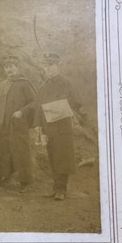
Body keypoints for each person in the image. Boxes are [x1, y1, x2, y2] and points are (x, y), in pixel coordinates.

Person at [34, 53, 87, 201]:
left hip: (63, 126)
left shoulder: (66, 83)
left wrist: (81, 112)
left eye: (50, 65)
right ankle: (55, 187)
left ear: (58, 66)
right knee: (52, 156)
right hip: (48, 127)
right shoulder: (43, 86)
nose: (47, 69)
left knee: (62, 157)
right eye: (45, 66)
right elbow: (38, 107)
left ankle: (61, 189)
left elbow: (76, 102)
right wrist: (38, 125)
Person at [0, 56, 36, 193]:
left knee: (21, 151)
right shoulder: (2, 84)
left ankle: (25, 182)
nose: (9, 70)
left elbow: (35, 102)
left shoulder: (24, 83)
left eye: (11, 66)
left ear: (17, 67)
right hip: (2, 124)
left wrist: (22, 112)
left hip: (17, 124)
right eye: (6, 67)